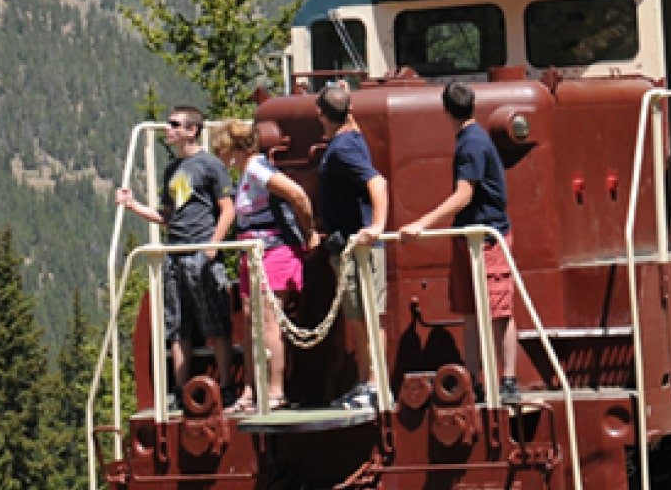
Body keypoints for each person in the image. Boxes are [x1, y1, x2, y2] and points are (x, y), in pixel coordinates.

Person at [402, 83, 522, 403]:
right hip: (468, 237)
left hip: (486, 239)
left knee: (500, 310)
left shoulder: (472, 144)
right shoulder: (471, 139)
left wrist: (422, 223)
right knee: (470, 311)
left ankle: (508, 381)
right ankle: (474, 379)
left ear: (446, 111)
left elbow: (464, 193)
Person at [115, 106, 237, 404]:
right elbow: (168, 215)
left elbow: (228, 209)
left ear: (191, 130)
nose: (167, 129)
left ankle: (226, 386)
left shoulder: (210, 166)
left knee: (215, 321)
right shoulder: (172, 170)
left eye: (174, 124)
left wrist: (213, 246)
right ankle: (180, 390)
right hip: (175, 253)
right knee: (177, 324)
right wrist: (134, 206)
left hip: (201, 253)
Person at [210, 118, 317, 412]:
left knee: (268, 320)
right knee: (249, 321)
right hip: (252, 255)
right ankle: (250, 390)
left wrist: (309, 233)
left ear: (235, 148)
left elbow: (296, 195)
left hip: (275, 252)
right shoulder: (246, 173)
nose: (220, 157)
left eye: (222, 150)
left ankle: (275, 390)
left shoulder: (258, 170)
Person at [314, 82, 389, 409]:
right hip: (347, 246)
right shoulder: (351, 137)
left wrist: (376, 227)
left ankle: (374, 384)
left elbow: (377, 182)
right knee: (359, 319)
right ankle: (365, 382)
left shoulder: (343, 149)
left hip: (359, 247)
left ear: (321, 115)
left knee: (368, 319)